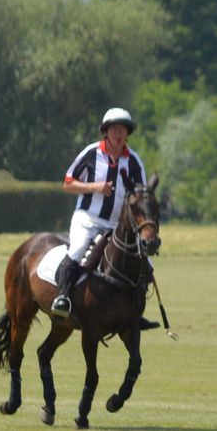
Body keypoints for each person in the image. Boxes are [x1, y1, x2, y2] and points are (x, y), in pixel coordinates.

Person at [50, 107, 148, 318]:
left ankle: (135, 312)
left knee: (143, 263)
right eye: (114, 129)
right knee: (78, 249)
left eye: (123, 129)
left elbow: (142, 196)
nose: (118, 134)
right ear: (106, 131)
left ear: (128, 133)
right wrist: (95, 187)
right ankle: (63, 297)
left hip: (118, 225)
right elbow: (68, 184)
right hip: (88, 219)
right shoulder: (91, 153)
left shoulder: (134, 161)